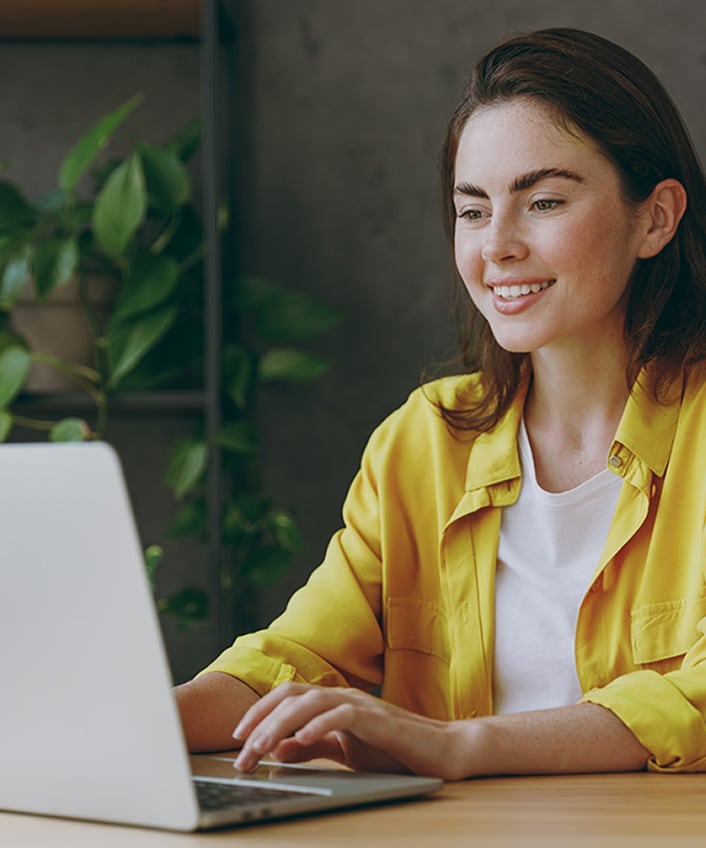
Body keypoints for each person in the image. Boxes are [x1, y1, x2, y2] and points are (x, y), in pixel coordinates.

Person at [176, 27, 706, 780]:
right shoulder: (423, 440)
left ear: (655, 218)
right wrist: (136, 721)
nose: (498, 247)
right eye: (473, 210)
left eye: (544, 201)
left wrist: (458, 745)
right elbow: (301, 655)